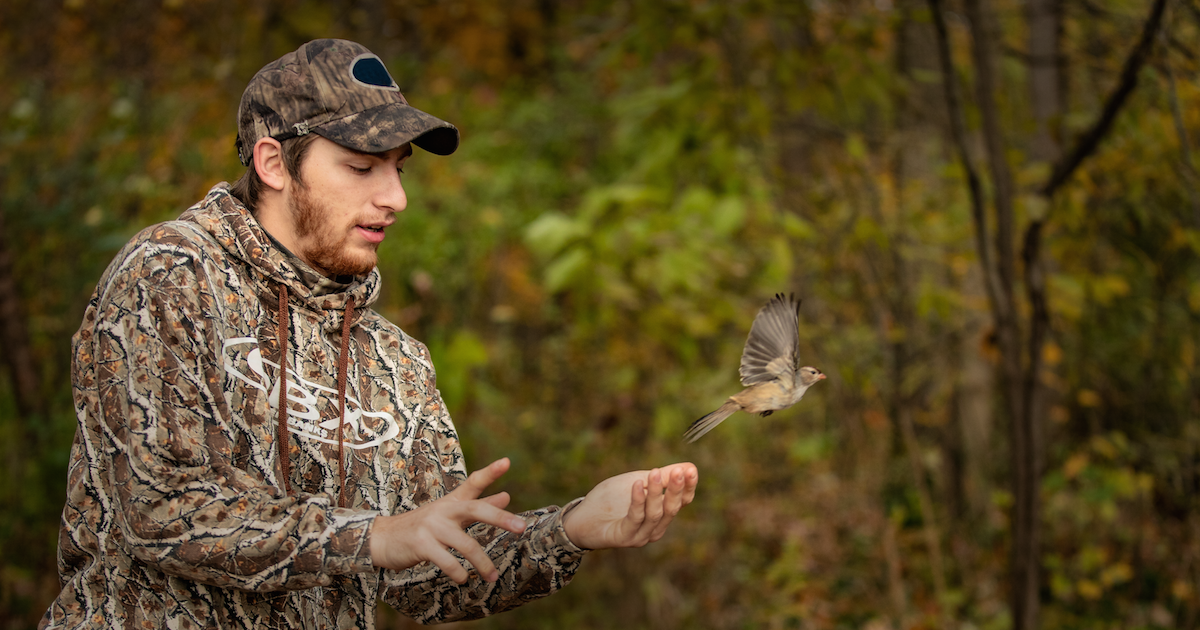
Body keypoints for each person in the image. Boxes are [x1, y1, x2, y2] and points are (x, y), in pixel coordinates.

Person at [41, 38, 698, 629]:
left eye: (399, 169)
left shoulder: (394, 359)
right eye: (362, 168)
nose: (395, 198)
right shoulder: (168, 277)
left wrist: (575, 527)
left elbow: (430, 575)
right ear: (274, 163)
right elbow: (155, 509)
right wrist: (373, 536)